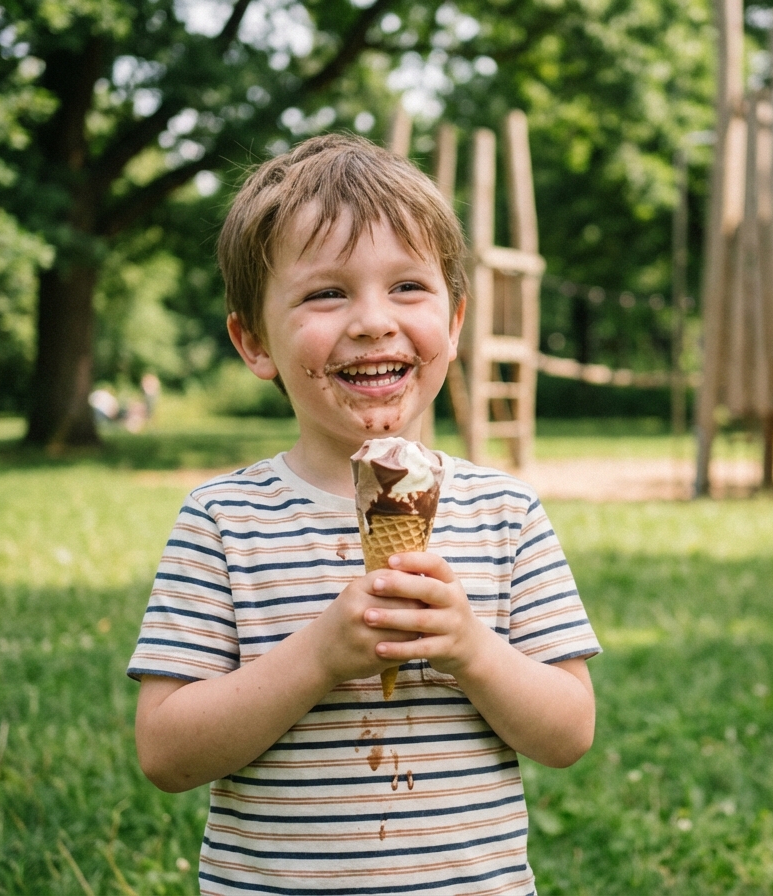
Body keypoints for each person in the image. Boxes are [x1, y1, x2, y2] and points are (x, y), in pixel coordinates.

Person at [128, 133, 600, 895]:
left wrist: (472, 649)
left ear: (453, 322)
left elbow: (569, 731)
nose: (374, 320)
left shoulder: (506, 515)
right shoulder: (222, 522)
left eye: (408, 287)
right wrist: (318, 655)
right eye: (326, 292)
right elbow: (166, 752)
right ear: (254, 342)